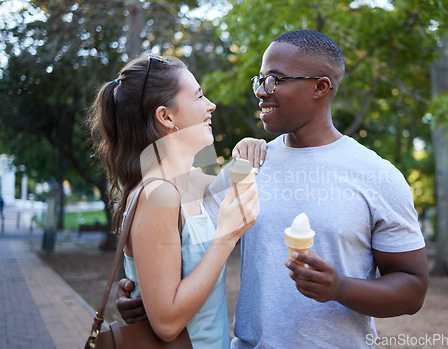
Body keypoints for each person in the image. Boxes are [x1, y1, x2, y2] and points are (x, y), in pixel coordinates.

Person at [117, 30, 428, 348]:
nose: (261, 92)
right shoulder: (245, 169)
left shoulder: (378, 176)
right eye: (260, 79)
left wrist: (340, 288)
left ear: (320, 87)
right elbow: (181, 247)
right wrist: (141, 289)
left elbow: (412, 288)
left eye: (275, 80)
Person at [88, 54, 262, 349]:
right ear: (166, 117)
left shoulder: (190, 183)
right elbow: (166, 324)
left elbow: (235, 182)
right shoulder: (159, 195)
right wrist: (226, 237)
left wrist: (250, 147)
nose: (211, 105)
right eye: (199, 96)